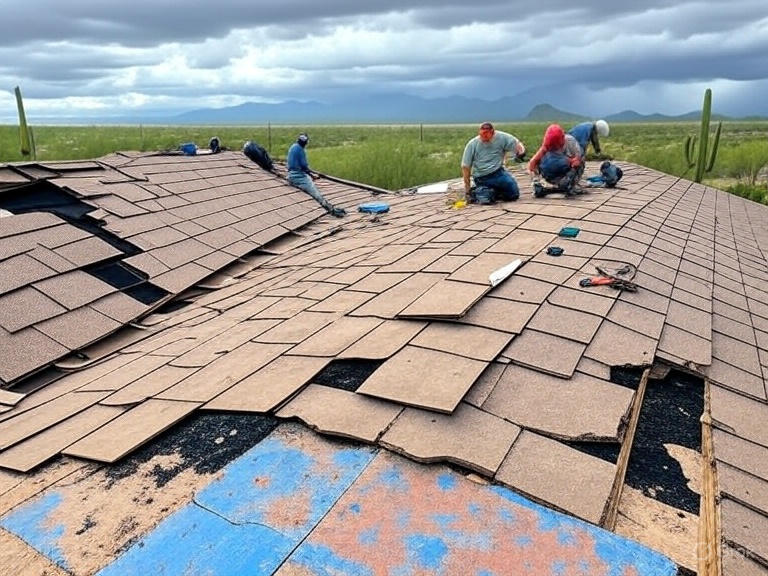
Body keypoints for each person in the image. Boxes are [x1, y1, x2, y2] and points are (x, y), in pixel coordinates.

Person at [461, 122, 526, 204]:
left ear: (493, 133)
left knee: (513, 195)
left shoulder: (502, 137)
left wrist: (521, 153)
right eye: (481, 134)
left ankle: (493, 192)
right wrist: (467, 189)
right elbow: (465, 166)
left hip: (498, 173)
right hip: (481, 177)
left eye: (486, 134)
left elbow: (517, 144)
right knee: (486, 200)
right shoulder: (472, 144)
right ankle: (477, 192)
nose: (483, 137)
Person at [286, 133, 346, 217]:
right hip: (298, 176)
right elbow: (304, 167)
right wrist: (313, 175)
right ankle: (331, 210)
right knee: (316, 193)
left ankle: (330, 207)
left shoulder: (293, 147)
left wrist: (312, 174)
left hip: (290, 174)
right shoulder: (300, 150)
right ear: (305, 143)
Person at [527, 124, 584, 197]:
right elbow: (532, 163)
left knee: (577, 163)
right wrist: (536, 180)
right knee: (543, 160)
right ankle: (549, 185)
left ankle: (568, 185)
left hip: (566, 173)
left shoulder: (571, 142)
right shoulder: (546, 145)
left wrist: (570, 162)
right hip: (551, 175)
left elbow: (578, 161)